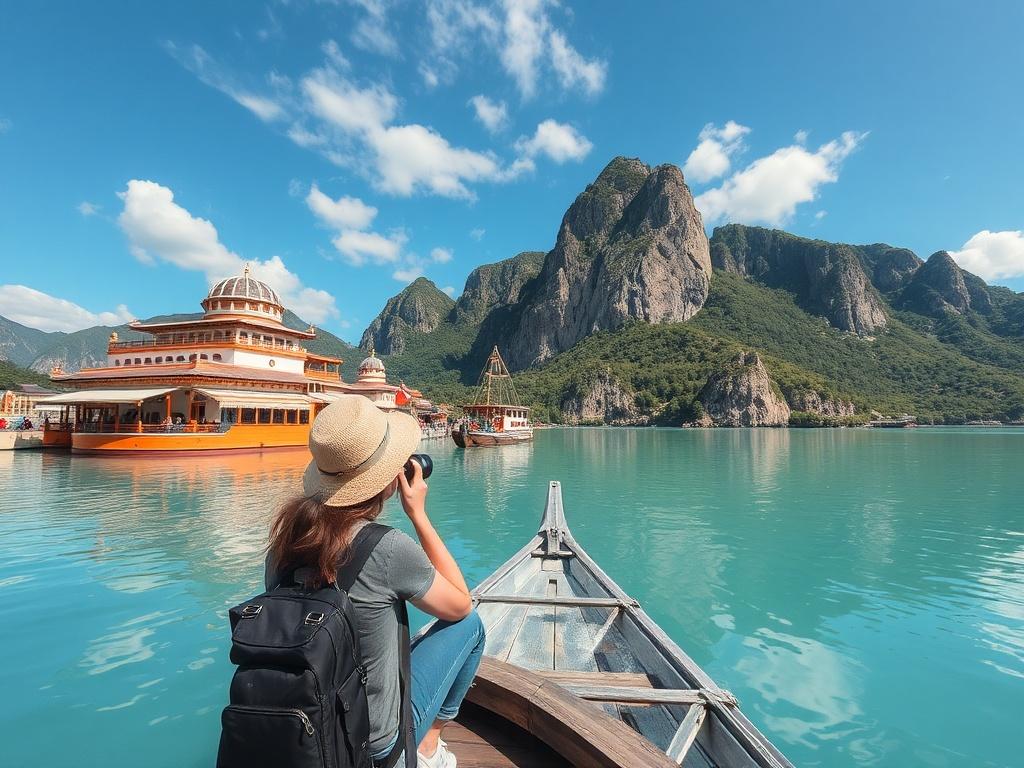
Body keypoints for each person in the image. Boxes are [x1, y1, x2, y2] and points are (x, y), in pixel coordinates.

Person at [265, 396, 483, 768]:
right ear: (386, 480)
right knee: (472, 627)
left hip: (308, 728)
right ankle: (428, 747)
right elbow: (460, 604)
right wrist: (418, 516)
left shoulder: (282, 548)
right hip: (375, 747)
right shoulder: (387, 548)